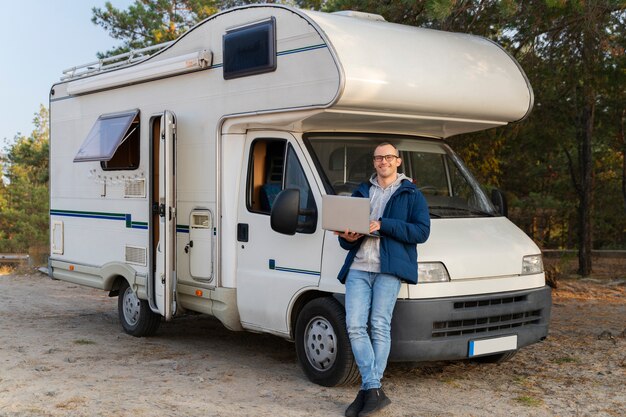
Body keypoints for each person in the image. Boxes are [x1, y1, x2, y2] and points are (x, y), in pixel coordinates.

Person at [336, 142, 430, 417]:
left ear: (398, 161)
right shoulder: (361, 191)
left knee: (378, 325)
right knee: (354, 326)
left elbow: (421, 232)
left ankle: (368, 390)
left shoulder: (411, 194)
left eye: (388, 157)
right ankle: (373, 388)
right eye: (378, 158)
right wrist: (347, 236)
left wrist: (383, 225)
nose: (383, 161)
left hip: (389, 269)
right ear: (374, 162)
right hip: (358, 268)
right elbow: (347, 237)